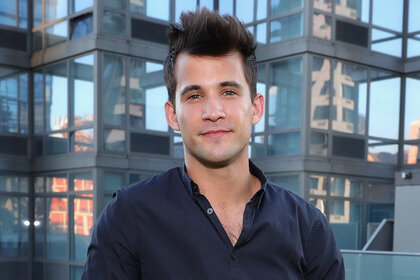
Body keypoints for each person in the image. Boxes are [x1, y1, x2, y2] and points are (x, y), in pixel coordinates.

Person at [81, 8, 344, 280]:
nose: (213, 111)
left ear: (256, 108)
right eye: (195, 96)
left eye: (228, 92)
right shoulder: (126, 218)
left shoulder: (309, 228)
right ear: (173, 115)